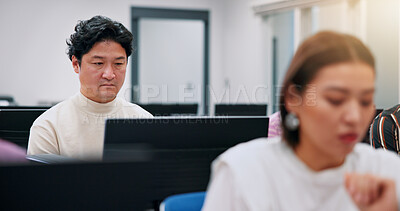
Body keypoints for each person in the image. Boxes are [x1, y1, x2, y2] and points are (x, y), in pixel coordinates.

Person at [202, 31, 400, 211]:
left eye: (365, 101)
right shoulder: (243, 173)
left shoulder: (385, 171)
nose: (354, 117)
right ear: (293, 99)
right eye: (335, 100)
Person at [27, 16, 152, 161]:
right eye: (98, 63)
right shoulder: (49, 126)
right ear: (76, 64)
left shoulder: (144, 121)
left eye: (118, 64)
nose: (109, 74)